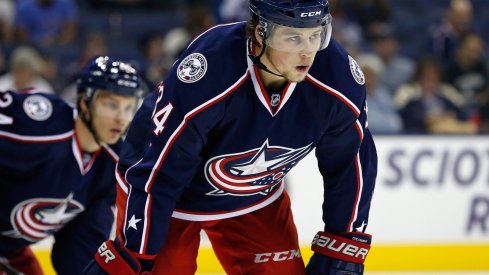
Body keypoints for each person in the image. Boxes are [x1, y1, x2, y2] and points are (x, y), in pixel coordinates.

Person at [85, 0, 377, 274]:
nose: (308, 51)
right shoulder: (210, 70)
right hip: (171, 199)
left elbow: (351, 160)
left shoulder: (336, 78)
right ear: (261, 33)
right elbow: (160, 167)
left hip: (254, 197)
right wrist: (136, 251)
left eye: (316, 35)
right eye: (293, 37)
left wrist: (345, 242)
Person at [0, 56, 144, 274]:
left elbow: (80, 247)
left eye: (128, 107)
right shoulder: (40, 124)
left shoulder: (112, 167)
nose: (121, 118)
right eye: (111, 104)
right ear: (84, 102)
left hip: (10, 250)